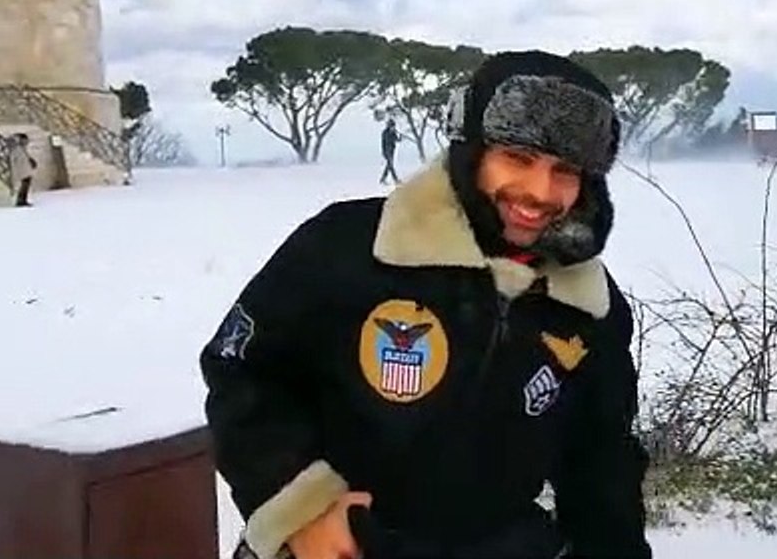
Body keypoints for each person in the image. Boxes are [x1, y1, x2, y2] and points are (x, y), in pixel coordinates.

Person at [201, 50, 652, 559]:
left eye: (565, 171)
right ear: (474, 151)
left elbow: (601, 459)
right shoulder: (347, 247)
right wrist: (301, 511)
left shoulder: (587, 305)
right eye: (518, 159)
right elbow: (243, 374)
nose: (538, 192)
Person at [9, 133, 37, 207]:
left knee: (25, 185)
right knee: (24, 186)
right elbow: (14, 161)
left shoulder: (22, 148)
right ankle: (21, 200)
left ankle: (23, 200)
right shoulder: (17, 149)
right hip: (22, 170)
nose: (26, 142)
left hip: (25, 170)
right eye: (24, 140)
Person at [379, 118, 401, 185]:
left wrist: (400, 137)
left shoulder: (393, 133)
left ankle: (383, 179)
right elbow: (385, 142)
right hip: (387, 151)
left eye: (394, 126)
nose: (393, 127)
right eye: (392, 126)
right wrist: (383, 152)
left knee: (389, 166)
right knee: (390, 165)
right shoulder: (385, 133)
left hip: (392, 150)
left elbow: (397, 140)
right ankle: (396, 180)